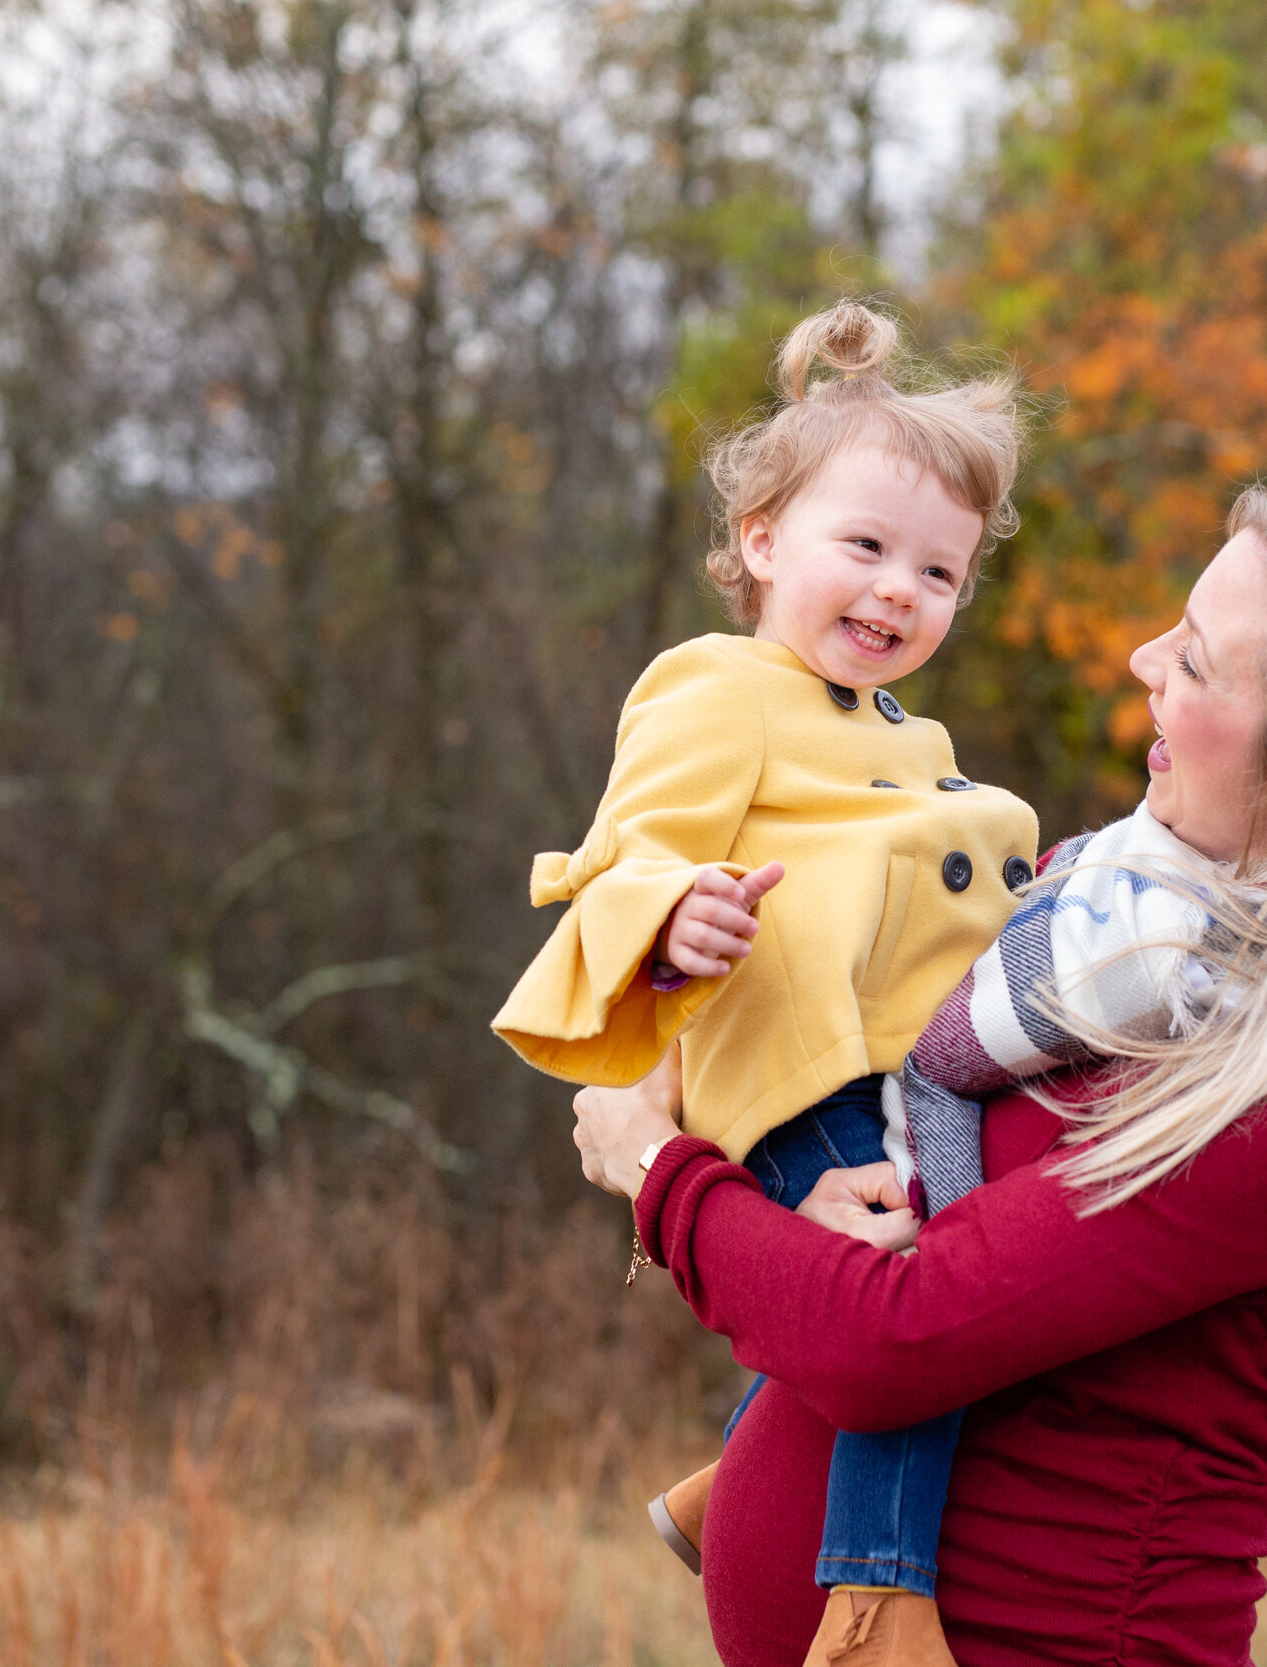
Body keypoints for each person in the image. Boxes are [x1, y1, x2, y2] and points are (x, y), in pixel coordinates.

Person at [572, 487, 1267, 1666]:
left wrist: (656, 1167)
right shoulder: (1100, 923)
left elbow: (892, 1338)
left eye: (1195, 659)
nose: (1144, 660)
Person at [492, 299, 1040, 1662]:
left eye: (938, 570)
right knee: (910, 1302)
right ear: (760, 541)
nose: (899, 590)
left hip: (912, 1067)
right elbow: (630, 850)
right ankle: (873, 1602)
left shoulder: (910, 735)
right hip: (806, 1064)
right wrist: (676, 913)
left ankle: (738, 1482)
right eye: (865, 547)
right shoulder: (720, 687)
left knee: (939, 1287)